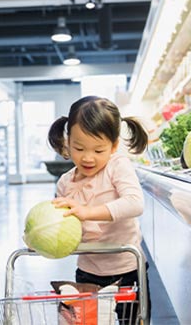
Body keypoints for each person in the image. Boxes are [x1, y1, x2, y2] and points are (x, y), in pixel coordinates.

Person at [47, 96, 151, 323]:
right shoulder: (65, 183)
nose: (87, 157)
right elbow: (63, 224)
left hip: (127, 270)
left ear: (113, 146)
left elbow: (135, 202)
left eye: (98, 150)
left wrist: (87, 212)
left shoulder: (117, 166)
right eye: (79, 147)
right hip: (87, 273)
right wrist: (42, 236)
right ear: (68, 141)